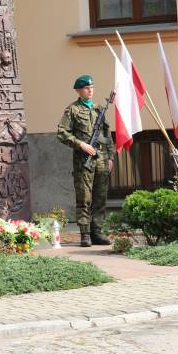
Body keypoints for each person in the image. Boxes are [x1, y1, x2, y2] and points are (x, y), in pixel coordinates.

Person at [57, 75, 114, 247]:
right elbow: (62, 133)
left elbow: (107, 135)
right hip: (84, 161)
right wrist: (81, 144)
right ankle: (85, 234)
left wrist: (110, 157)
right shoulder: (72, 110)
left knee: (100, 198)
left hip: (102, 160)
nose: (90, 90)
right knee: (85, 198)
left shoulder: (99, 109)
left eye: (92, 87)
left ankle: (97, 232)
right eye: (86, 88)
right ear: (78, 90)